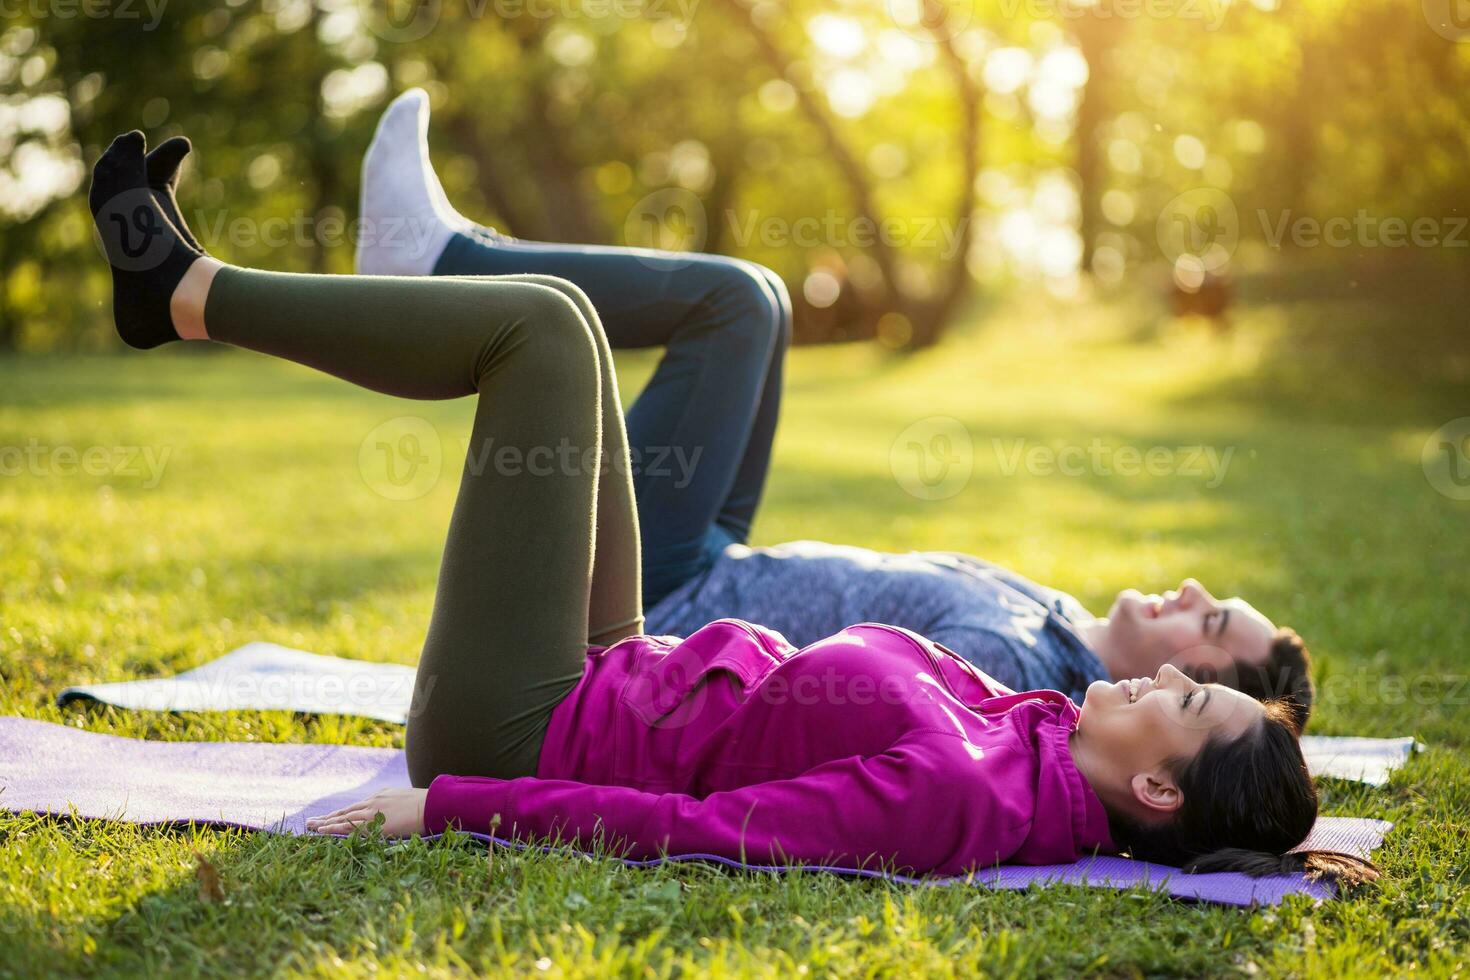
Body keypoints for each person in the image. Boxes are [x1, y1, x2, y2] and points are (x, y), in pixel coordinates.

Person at [90, 128, 1368, 882]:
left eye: (1187, 695)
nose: (1160, 676)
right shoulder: (1039, 735)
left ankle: (185, 292)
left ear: (1152, 789)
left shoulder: (966, 797)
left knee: (533, 331)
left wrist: (452, 805)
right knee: (581, 332)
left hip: (520, 728)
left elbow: (707, 830)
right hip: (617, 667)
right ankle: (255, 281)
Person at [358, 90, 1315, 729]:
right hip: (723, 560)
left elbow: (822, 712)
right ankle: (447, 259)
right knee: (765, 302)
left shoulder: (1009, 659)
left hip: (666, 602)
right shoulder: (1059, 624)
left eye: (1214, 622)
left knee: (729, 303)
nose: (1192, 592)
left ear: (1192, 686)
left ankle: (442, 263)